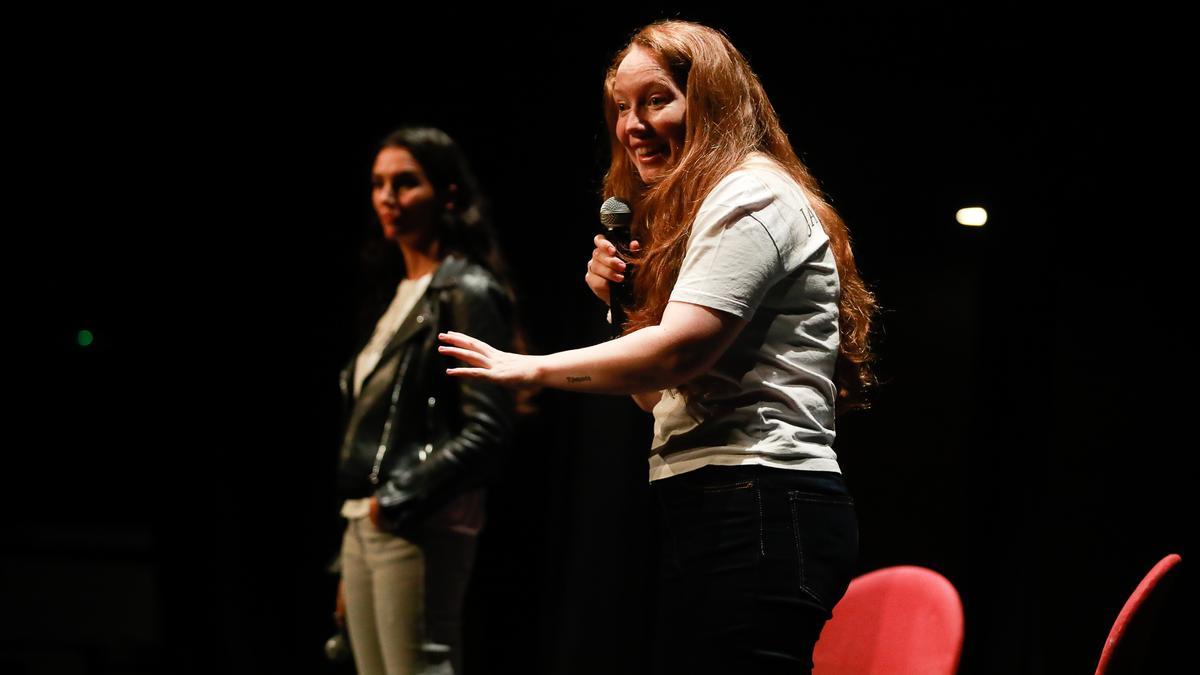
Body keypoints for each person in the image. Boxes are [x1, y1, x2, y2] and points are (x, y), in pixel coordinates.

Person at [437, 21, 877, 674]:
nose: (632, 126)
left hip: (761, 495)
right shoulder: (704, 210)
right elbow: (656, 394)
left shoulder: (751, 196)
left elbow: (676, 355)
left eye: (656, 100)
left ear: (713, 102)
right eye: (620, 107)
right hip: (714, 498)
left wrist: (529, 365)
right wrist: (621, 306)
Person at [334, 126, 518, 675]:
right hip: (366, 522)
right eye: (378, 184)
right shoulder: (397, 294)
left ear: (448, 194)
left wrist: (395, 501)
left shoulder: (465, 291)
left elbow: (487, 430)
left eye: (406, 183)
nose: (388, 197)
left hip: (419, 519)